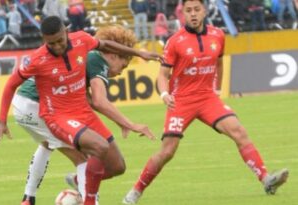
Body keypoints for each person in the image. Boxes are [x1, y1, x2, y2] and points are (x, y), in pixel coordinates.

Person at [122, 0, 289, 204]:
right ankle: (136, 190)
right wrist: (165, 94)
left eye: (196, 10)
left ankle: (266, 179)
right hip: (181, 101)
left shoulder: (217, 35)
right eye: (188, 11)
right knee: (167, 151)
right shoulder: (175, 41)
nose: (193, 14)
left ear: (204, 11)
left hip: (207, 98)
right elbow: (163, 74)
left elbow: (219, 62)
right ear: (182, 13)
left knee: (239, 132)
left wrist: (217, 89)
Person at [0, 16, 160, 205]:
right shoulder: (86, 60)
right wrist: (1, 120)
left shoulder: (83, 41)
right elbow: (99, 101)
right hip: (40, 106)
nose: (57, 46)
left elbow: (90, 96)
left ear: (66, 33)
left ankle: (32, 197)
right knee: (86, 153)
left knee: (112, 163)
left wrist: (138, 53)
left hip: (64, 108)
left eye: (60, 41)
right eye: (51, 43)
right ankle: (87, 199)